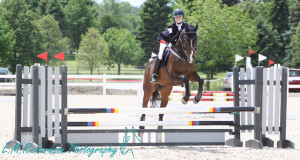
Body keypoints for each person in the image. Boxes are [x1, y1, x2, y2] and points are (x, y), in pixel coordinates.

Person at [151, 9, 188, 83]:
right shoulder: (171, 26)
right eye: (176, 17)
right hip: (166, 40)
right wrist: (179, 33)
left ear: (182, 17)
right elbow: (171, 40)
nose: (178, 18)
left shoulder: (186, 25)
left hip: (177, 43)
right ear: (174, 18)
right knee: (161, 53)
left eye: (179, 17)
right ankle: (154, 74)